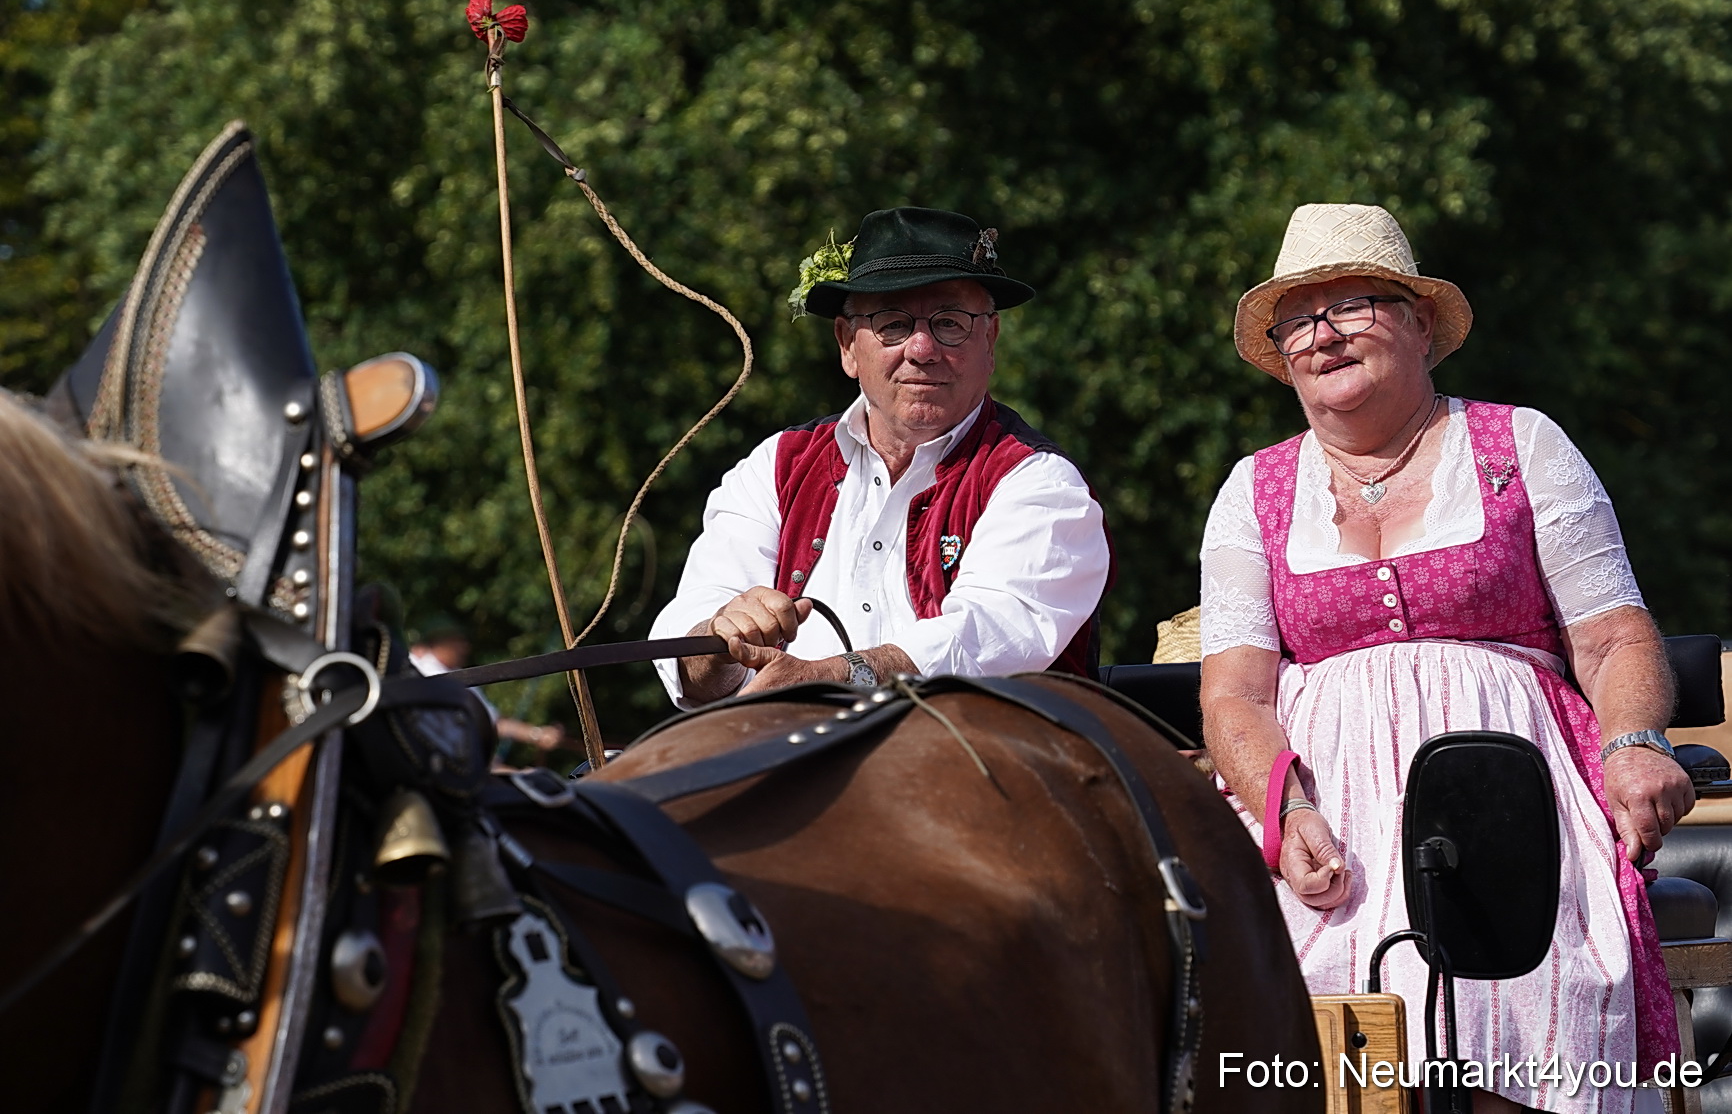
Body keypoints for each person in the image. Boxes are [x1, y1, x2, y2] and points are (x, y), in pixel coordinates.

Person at [1198, 203, 1692, 1113]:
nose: (1325, 334)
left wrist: (1633, 741)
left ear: (1422, 323)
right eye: (1301, 318)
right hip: (1328, 814)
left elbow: (1614, 635)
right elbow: (1234, 693)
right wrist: (1285, 810)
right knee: (1310, 1027)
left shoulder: (1522, 444)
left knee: (1528, 1002)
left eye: (1356, 305)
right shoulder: (1253, 490)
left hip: (1513, 791)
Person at [650, 207, 1111, 708]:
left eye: (950, 324)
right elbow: (692, 639)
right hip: (776, 756)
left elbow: (988, 634)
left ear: (990, 340)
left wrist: (833, 678)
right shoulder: (776, 466)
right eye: (892, 324)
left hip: (980, 771)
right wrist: (721, 642)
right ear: (848, 345)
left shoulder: (1039, 482)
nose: (921, 348)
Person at [409, 616, 565, 757]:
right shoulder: (424, 669)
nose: (465, 648)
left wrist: (536, 734)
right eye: (457, 642)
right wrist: (537, 735)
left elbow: (493, 721)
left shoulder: (456, 674)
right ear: (438, 643)